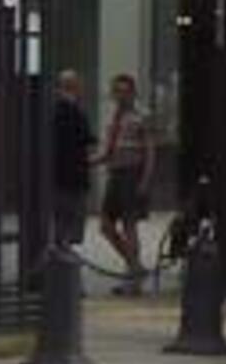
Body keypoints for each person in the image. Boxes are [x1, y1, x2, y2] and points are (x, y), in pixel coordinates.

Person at [97, 73, 156, 292]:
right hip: (116, 172)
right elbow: (109, 149)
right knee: (105, 225)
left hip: (132, 173)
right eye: (117, 91)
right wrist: (90, 162)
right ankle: (135, 267)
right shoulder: (114, 116)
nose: (121, 96)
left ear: (133, 92)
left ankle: (133, 279)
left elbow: (150, 151)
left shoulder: (142, 116)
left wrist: (145, 181)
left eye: (125, 91)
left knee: (129, 225)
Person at [48, 72, 94, 250]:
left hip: (58, 173)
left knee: (61, 217)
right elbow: (86, 140)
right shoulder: (75, 111)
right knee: (71, 217)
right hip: (74, 174)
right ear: (74, 87)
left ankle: (62, 249)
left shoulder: (53, 111)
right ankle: (64, 253)